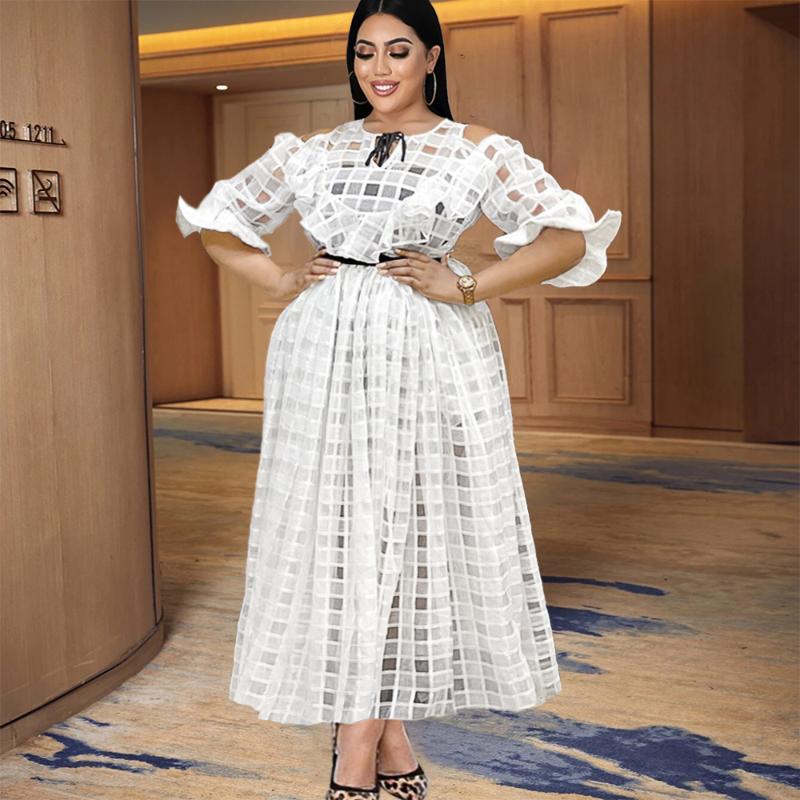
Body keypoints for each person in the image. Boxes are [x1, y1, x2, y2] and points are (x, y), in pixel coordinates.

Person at [176, 1, 622, 797]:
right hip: (321, 351)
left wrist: (467, 284)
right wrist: (280, 276)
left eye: (398, 50)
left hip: (428, 350)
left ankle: (355, 748)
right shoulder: (314, 151)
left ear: (432, 57)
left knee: (408, 534)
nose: (379, 68)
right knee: (337, 533)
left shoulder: (475, 148)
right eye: (365, 52)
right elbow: (217, 224)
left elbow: (567, 239)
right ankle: (386, 741)